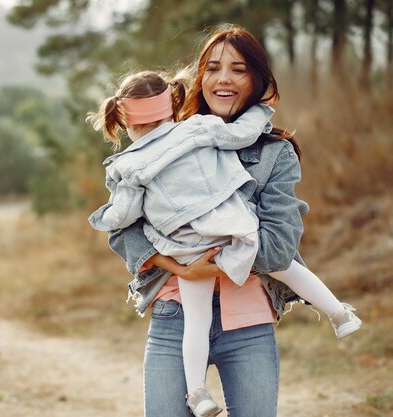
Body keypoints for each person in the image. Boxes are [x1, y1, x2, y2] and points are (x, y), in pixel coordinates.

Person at [94, 25, 362, 417]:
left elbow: (279, 246)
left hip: (249, 321)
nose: (223, 79)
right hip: (174, 315)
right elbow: (124, 232)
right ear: (199, 76)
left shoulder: (275, 153)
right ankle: (198, 393)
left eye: (238, 69)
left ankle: (338, 312)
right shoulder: (170, 141)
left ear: (256, 78)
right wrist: (180, 269)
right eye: (213, 67)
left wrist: (208, 264)